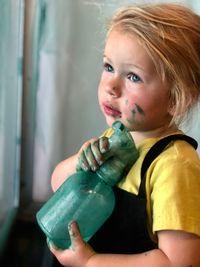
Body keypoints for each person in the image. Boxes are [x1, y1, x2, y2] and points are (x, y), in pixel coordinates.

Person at [48, 3, 200, 267]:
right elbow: (56, 185)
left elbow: (179, 262)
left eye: (133, 76)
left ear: (176, 98)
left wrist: (91, 263)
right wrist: (81, 164)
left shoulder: (175, 165)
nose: (110, 86)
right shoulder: (117, 135)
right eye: (108, 67)